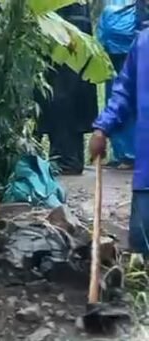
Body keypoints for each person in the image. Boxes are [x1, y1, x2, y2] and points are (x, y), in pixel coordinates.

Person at [90, 29, 149, 255]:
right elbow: (124, 92)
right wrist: (102, 128)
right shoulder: (143, 43)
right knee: (140, 242)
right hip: (147, 174)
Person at [36, 2, 98, 175]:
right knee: (67, 93)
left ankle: (66, 159)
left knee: (62, 94)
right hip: (69, 30)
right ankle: (68, 158)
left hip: (65, 32)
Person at [98, 0, 137, 170]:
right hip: (126, 52)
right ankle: (123, 153)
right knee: (122, 100)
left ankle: (127, 154)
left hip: (117, 53)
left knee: (119, 100)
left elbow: (102, 31)